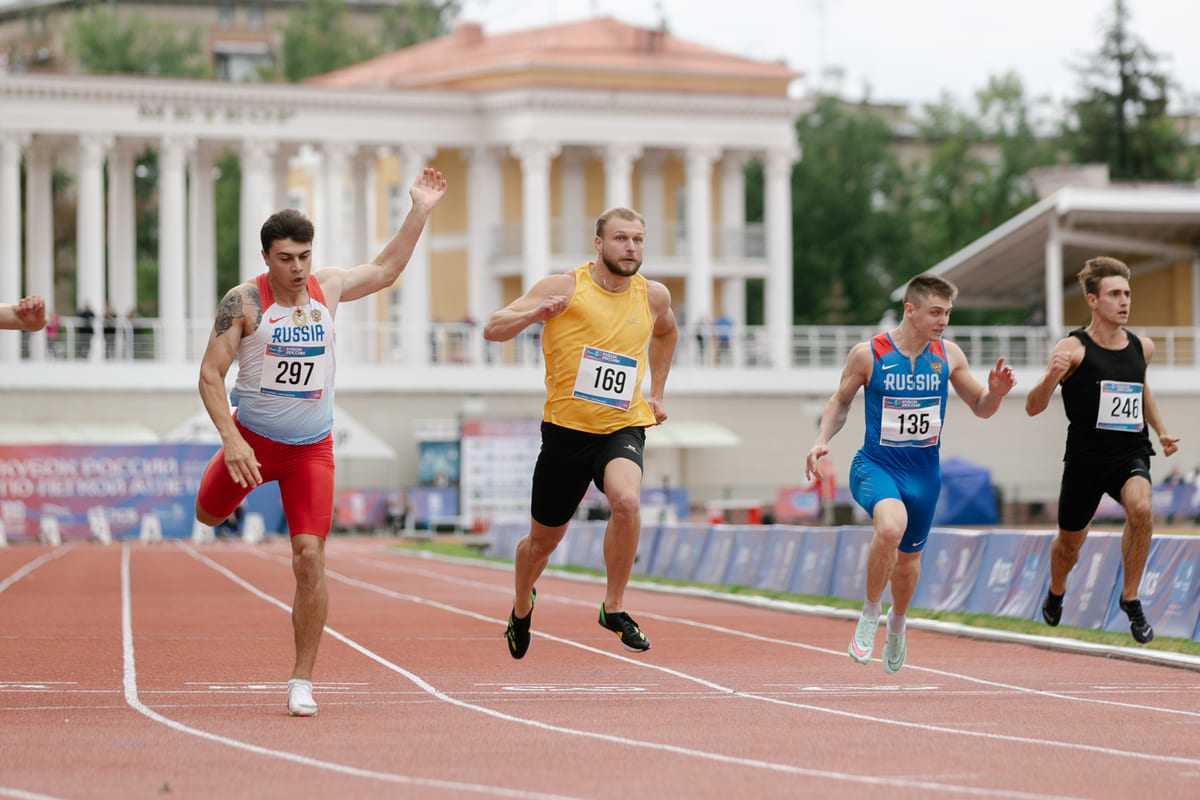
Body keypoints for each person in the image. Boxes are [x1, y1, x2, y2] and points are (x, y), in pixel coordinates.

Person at [194, 167, 447, 716]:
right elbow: (210, 375)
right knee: (208, 515)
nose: (297, 268)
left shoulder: (325, 288)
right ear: (267, 258)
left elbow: (384, 269)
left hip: (312, 447)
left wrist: (420, 211)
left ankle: (301, 680)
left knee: (309, 558)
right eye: (286, 258)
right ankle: (226, 475)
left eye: (304, 256)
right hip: (253, 441)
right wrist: (231, 441)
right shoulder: (243, 303)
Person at [483, 206, 678, 659]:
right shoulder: (564, 287)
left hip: (622, 424)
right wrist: (534, 314)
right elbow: (493, 329)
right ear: (599, 244)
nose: (630, 248)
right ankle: (520, 605)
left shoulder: (654, 296)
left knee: (626, 501)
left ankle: (614, 607)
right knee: (540, 545)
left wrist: (658, 393)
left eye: (637, 240)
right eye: (620, 239)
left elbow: (666, 334)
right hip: (565, 434)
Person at [805, 274, 1016, 674]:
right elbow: (840, 402)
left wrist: (997, 393)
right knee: (889, 528)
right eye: (936, 312)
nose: (943, 321)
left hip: (924, 476)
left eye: (948, 313)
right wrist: (820, 438)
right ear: (910, 309)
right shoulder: (869, 354)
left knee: (908, 561)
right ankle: (870, 613)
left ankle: (898, 625)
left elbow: (981, 407)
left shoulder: (949, 355)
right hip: (876, 466)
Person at [1025, 256, 1178, 644]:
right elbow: (1032, 406)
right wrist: (1050, 377)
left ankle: (1130, 599)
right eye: (1114, 294)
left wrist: (1160, 431)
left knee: (1142, 508)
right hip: (1085, 461)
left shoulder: (1142, 347)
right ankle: (1057, 588)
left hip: (1130, 451)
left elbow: (1141, 389)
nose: (1124, 301)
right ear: (1093, 300)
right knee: (1069, 546)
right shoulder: (1073, 348)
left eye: (1127, 293)